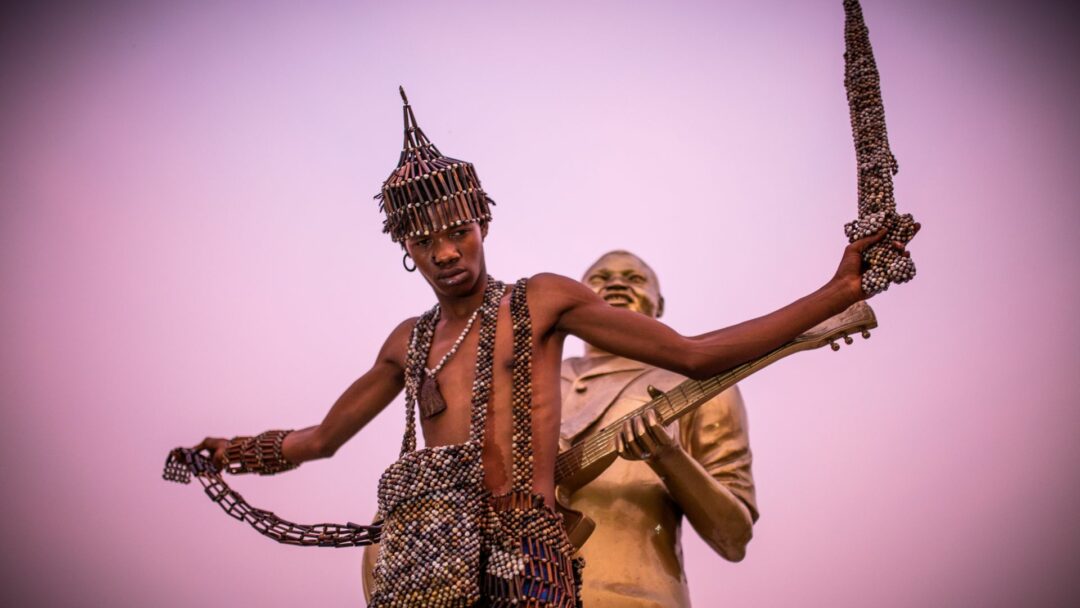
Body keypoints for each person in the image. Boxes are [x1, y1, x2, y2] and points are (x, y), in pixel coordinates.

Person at [186, 89, 909, 606]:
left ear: (482, 224)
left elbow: (691, 355)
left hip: (528, 556)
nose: (445, 251)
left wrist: (837, 292)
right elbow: (321, 439)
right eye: (425, 238)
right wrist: (233, 452)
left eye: (457, 229)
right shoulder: (405, 345)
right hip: (432, 570)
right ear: (405, 248)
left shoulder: (542, 301)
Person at [559, 250, 756, 607]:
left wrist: (669, 457)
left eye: (634, 279)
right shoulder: (531, 382)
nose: (616, 283)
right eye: (600, 278)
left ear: (660, 304)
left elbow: (733, 537)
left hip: (639, 596)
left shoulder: (698, 384)